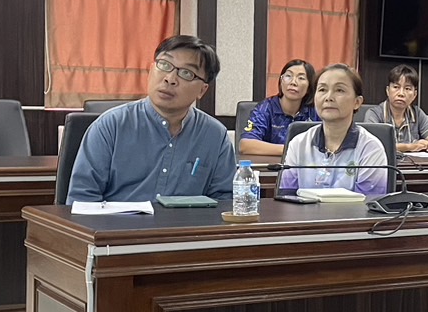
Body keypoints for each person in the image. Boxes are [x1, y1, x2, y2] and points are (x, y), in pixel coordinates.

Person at [67, 35, 234, 203]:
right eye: (165, 65)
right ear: (151, 69)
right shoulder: (110, 126)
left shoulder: (215, 135)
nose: (170, 79)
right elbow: (82, 200)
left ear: (202, 90)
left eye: (186, 73)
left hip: (186, 221)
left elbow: (224, 202)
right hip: (117, 220)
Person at [279, 64, 388, 197]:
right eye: (322, 89)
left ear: (357, 102)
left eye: (339, 90)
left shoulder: (370, 148)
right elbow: (286, 198)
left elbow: (368, 204)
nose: (328, 97)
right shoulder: (299, 144)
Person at [239, 59, 319, 158]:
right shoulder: (265, 108)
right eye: (288, 76)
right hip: (271, 165)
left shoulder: (315, 111)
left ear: (309, 87)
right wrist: (291, 150)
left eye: (301, 78)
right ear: (281, 82)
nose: (293, 82)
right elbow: (246, 145)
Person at [364, 64, 428, 152]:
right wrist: (410, 147)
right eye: (396, 87)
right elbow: (373, 146)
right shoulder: (374, 114)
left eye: (407, 89)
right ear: (388, 91)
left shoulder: (417, 113)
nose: (401, 93)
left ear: (414, 94)